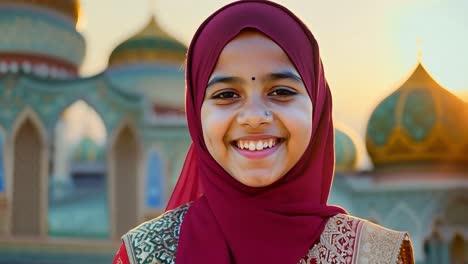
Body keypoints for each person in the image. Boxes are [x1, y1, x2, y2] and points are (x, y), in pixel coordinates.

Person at [113, 1, 415, 263]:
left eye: (281, 91)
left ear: (317, 106)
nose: (254, 116)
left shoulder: (375, 255)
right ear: (196, 113)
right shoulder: (144, 254)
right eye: (226, 95)